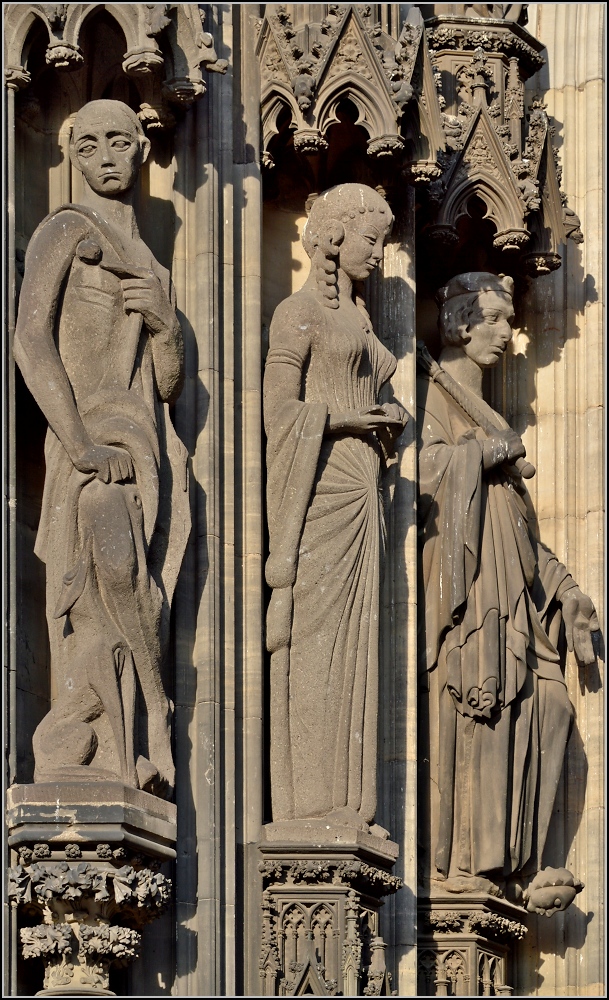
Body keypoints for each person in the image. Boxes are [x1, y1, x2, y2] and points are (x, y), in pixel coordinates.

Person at [14, 100, 190, 797]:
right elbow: (30, 339)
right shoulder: (65, 229)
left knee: (134, 587)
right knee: (99, 586)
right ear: (74, 157)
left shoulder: (149, 261)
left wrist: (165, 326)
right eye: (91, 145)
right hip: (89, 448)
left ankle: (128, 741)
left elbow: (169, 384)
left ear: (142, 152)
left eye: (122, 142)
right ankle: (115, 733)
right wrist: (80, 441)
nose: (108, 156)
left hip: (143, 448)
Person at [417, 272, 599, 893]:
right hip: (467, 594)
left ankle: (505, 861)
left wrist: (566, 589)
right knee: (481, 700)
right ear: (459, 321)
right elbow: (415, 479)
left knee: (547, 703)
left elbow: (518, 528)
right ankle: (464, 866)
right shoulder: (430, 395)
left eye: (507, 318)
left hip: (510, 594)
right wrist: (485, 454)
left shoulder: (483, 407)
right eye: (492, 318)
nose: (506, 332)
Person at [263, 183, 407, 829]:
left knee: (356, 641)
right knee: (319, 641)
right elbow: (276, 411)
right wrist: (346, 420)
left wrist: (388, 417)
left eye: (381, 242)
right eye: (369, 240)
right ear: (332, 235)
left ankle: (351, 801)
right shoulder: (298, 311)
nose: (377, 255)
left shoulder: (362, 319)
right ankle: (312, 802)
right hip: (321, 486)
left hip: (362, 486)